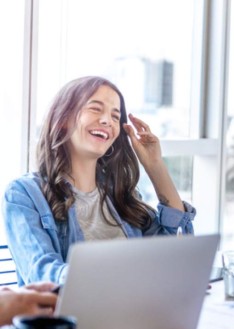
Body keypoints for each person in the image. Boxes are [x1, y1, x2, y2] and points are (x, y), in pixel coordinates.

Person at [2, 76, 196, 286]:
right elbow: (42, 275)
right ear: (63, 119)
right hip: (73, 318)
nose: (107, 121)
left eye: (115, 116)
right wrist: (125, 279)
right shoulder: (24, 194)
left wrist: (155, 165)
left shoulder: (120, 194)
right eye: (95, 109)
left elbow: (176, 252)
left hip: (135, 314)